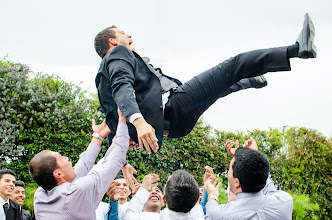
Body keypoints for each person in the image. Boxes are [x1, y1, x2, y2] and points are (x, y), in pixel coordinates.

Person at [94, 13, 316, 154]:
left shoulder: (103, 79)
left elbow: (114, 116)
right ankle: (297, 49)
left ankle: (250, 79)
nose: (129, 35)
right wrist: (139, 123)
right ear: (113, 41)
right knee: (233, 65)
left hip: (177, 127)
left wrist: (124, 155)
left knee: (217, 88)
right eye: (123, 33)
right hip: (175, 106)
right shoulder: (118, 55)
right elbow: (122, 87)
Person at [29, 109, 130, 220]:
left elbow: (82, 166)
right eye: (62, 158)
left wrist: (98, 136)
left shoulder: (40, 195)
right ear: (57, 173)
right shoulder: (78, 192)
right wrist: (122, 118)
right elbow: (114, 161)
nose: (67, 158)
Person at [204, 138, 293, 219]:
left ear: (237, 182)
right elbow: (261, 176)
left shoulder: (222, 215)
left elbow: (210, 215)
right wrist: (251, 156)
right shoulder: (284, 202)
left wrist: (212, 195)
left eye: (229, 169)